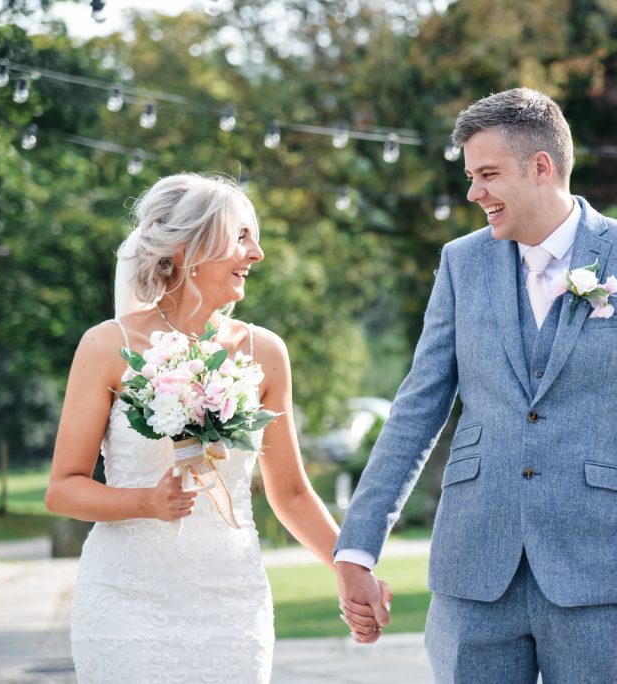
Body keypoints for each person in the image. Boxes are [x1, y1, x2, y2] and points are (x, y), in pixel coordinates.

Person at [334, 88, 617, 683]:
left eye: (487, 174)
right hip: (473, 570)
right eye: (469, 175)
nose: (473, 192)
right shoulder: (461, 263)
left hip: (601, 571)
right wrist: (357, 548)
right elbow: (415, 410)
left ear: (541, 167)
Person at [45, 173, 387, 683]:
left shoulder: (264, 353)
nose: (258, 253)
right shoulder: (106, 347)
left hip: (232, 604)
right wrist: (144, 503)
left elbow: (291, 492)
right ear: (187, 248)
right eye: (242, 236)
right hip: (125, 600)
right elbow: (62, 490)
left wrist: (350, 569)